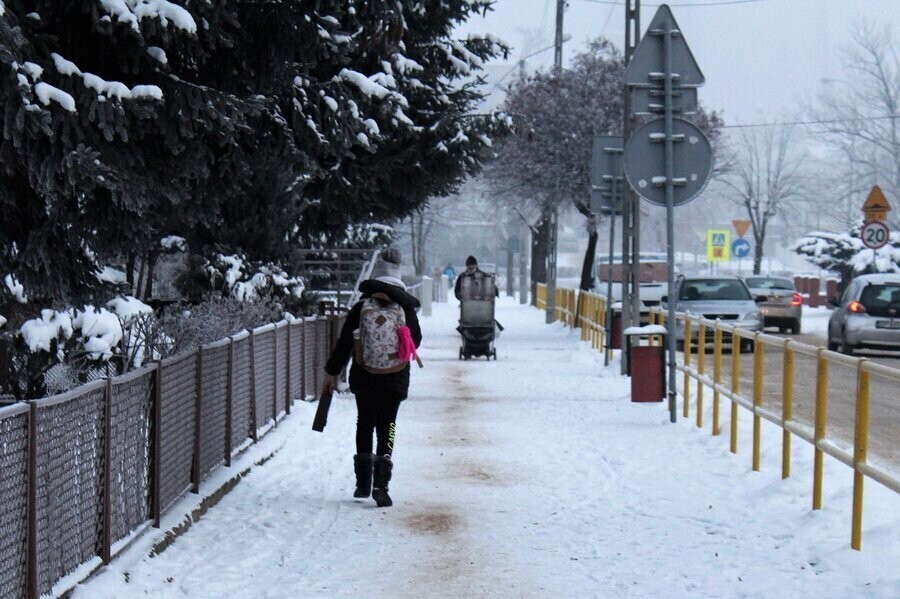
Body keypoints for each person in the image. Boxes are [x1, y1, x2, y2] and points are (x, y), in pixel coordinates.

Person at [322, 247, 422, 508]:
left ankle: (363, 482)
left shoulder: (361, 307)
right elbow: (417, 340)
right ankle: (382, 483)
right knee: (388, 426)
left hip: (364, 376)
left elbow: (345, 343)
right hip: (395, 377)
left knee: (365, 422)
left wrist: (332, 371)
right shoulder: (405, 306)